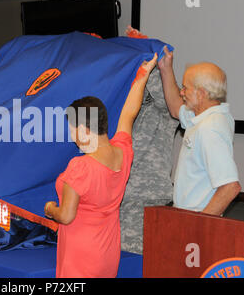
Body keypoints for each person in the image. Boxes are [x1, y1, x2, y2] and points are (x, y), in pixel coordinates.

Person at [44, 53, 158, 278]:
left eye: (73, 130)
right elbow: (129, 113)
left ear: (85, 130)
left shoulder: (81, 166)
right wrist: (142, 75)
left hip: (81, 256)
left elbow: (66, 216)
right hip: (107, 253)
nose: (72, 137)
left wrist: (49, 209)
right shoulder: (123, 151)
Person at [158, 46, 241, 215]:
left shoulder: (209, 129)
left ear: (201, 94)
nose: (182, 93)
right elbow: (175, 108)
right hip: (189, 217)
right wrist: (166, 68)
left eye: (185, 88)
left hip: (195, 220)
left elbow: (230, 186)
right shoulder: (208, 116)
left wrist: (199, 226)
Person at [120, 26, 180, 254]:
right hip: (116, 197)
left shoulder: (168, 105)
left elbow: (166, 96)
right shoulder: (123, 105)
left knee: (136, 264)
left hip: (146, 200)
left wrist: (144, 52)